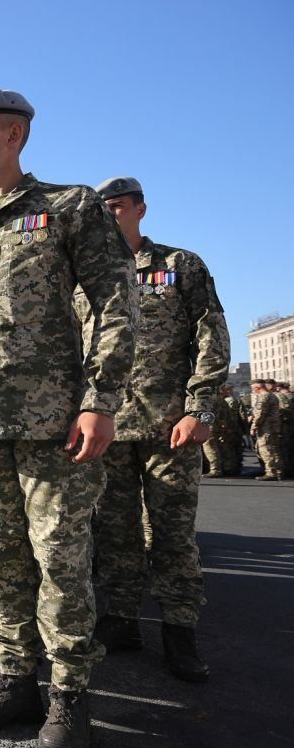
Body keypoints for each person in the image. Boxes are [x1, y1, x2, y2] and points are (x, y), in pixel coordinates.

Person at [0, 88, 136, 748]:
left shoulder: (67, 208)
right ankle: (15, 677)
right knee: (3, 560)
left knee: (61, 560)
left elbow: (112, 302)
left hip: (53, 427)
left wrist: (100, 399)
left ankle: (70, 693)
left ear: (15, 134)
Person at [87, 176, 229, 682]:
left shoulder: (178, 266)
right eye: (102, 209)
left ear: (141, 210)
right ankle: (122, 620)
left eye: (119, 206)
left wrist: (202, 409)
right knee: (115, 533)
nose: (110, 215)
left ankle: (179, 631)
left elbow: (211, 335)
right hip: (106, 428)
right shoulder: (85, 276)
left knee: (172, 535)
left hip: (170, 424)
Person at [251, 379, 284, 480]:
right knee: (274, 449)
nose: (253, 391)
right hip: (274, 427)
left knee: (266, 450)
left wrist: (254, 427)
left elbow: (259, 414)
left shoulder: (263, 397)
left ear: (257, 388)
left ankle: (271, 472)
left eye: (253, 389)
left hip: (266, 428)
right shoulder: (272, 395)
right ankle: (278, 471)